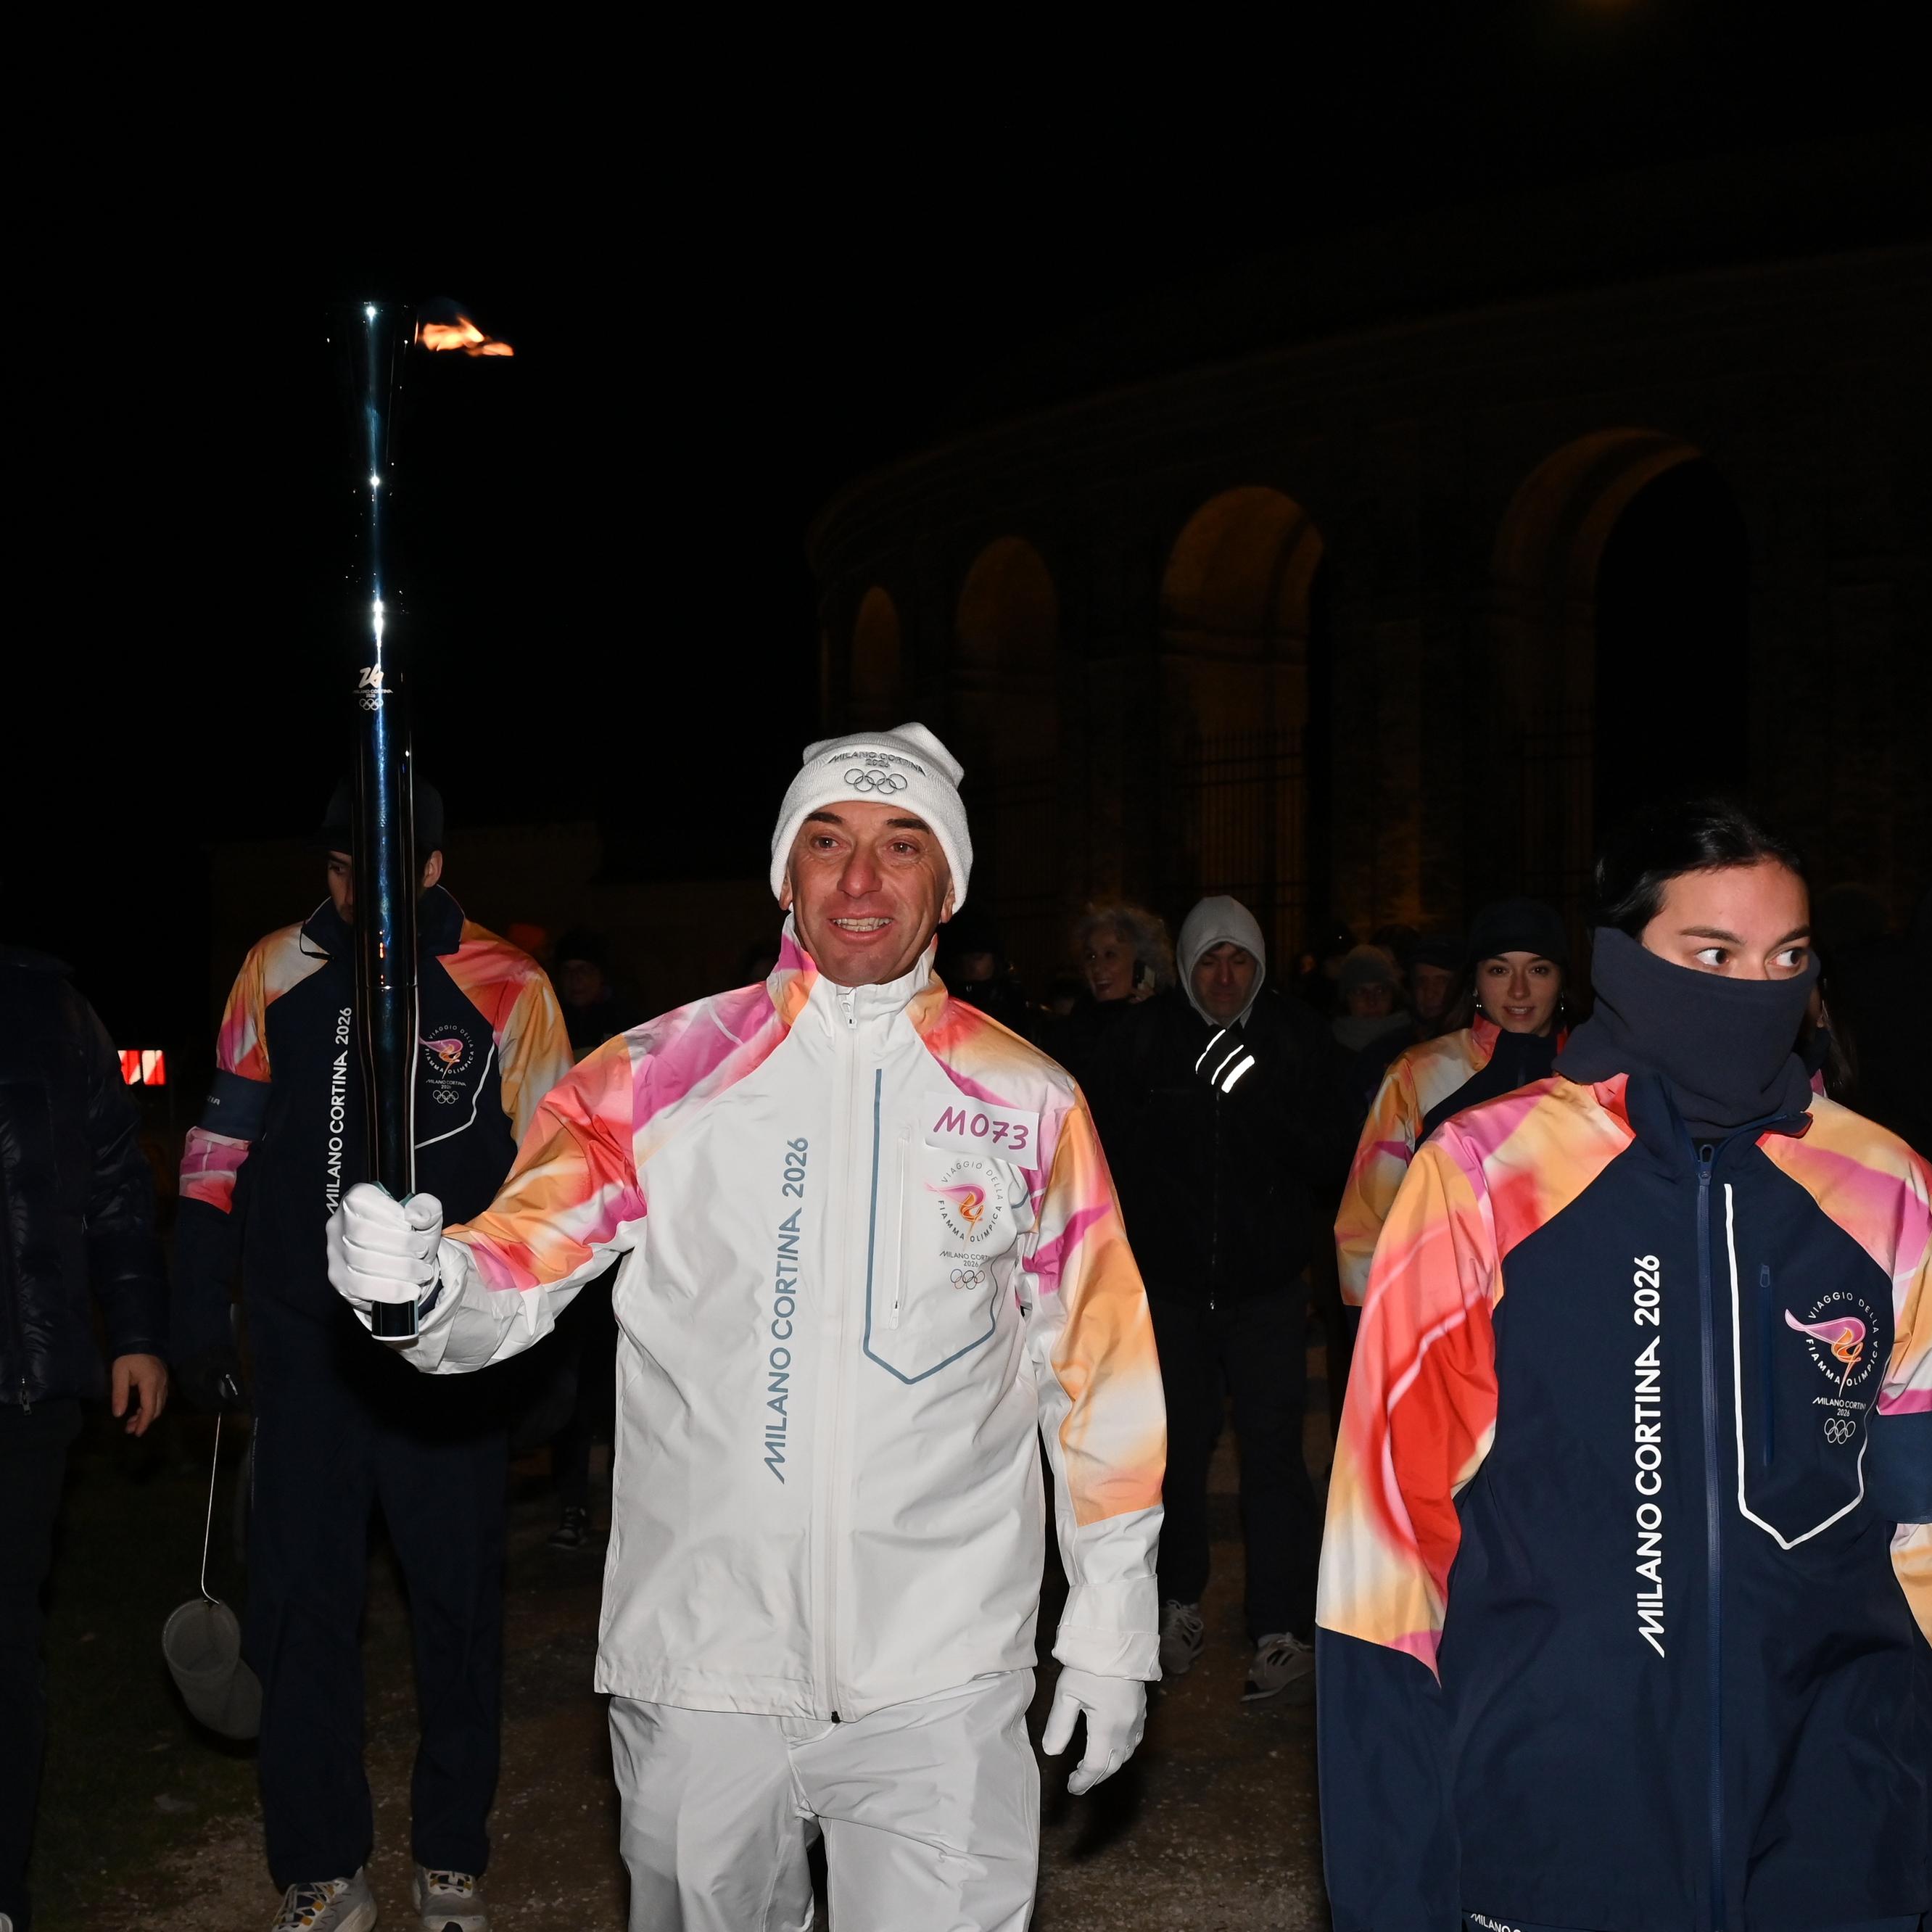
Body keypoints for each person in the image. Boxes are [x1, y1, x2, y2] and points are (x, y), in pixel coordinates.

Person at [324, 724, 1166, 1932]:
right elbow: (519, 1260)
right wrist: (424, 1286)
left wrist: (1111, 1617)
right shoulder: (658, 1072)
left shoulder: (1026, 1098)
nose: (859, 879)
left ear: (945, 883)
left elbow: (1096, 1373)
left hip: (938, 1668)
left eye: (898, 846)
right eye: (826, 842)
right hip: (701, 1659)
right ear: (785, 871)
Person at [1316, 798, 1931, 1932]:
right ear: (1621, 963)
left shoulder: (1882, 1183)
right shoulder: (1486, 1174)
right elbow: (1386, 1541)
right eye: (1713, 956)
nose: (1755, 991)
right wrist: (1392, 1873)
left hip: (1829, 1812)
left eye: (1786, 958)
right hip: (1560, 1802)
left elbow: (1921, 1522)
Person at [172, 779, 571, 1932]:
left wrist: (540, 1355)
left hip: (447, 1362)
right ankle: (319, 1863)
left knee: (456, 1608)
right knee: (303, 1608)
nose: (359, 894)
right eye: (342, 871)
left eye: (385, 871)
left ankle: (452, 1855)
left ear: (436, 869)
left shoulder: (510, 986)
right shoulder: (276, 970)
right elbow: (216, 1146)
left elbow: (558, 1184)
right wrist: (204, 1306)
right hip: (307, 1351)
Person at [1086, 894, 1350, 1701]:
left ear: (1260, 966)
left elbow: (1332, 1155)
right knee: (1173, 1459)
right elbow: (1109, 1157)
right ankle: (1176, 1603)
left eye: (1239, 960)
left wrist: (1257, 1097)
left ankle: (1280, 1626)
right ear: (1188, 967)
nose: (1225, 975)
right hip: (1169, 1294)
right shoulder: (1148, 1039)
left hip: (1266, 1294)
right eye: (1210, 960)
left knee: (1274, 1459)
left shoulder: (1296, 1039)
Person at [1, 949, 169, 1932]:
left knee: (4, 1642)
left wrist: (137, 1333)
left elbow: (114, 1185)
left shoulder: (50, 1009)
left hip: (23, 1384)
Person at [1333, 898, 1570, 1305]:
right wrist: (1377, 1334)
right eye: (1499, 970)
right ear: (1475, 981)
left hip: (1565, 1321)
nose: (1518, 989)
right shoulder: (1418, 1074)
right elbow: (1368, 1219)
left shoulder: (1599, 1079)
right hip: (1444, 1320)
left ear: (1561, 979)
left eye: (1538, 969)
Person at [936, 905, 1036, 1039]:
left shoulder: (1013, 1003)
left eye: (977, 957)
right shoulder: (938, 999)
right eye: (959, 959)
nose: (968, 966)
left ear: (995, 959)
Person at [1329, 943, 1411, 1057]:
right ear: (1346, 998)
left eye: (1380, 991)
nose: (1372, 1001)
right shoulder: (1326, 1051)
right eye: (1360, 992)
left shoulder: (1413, 1049)